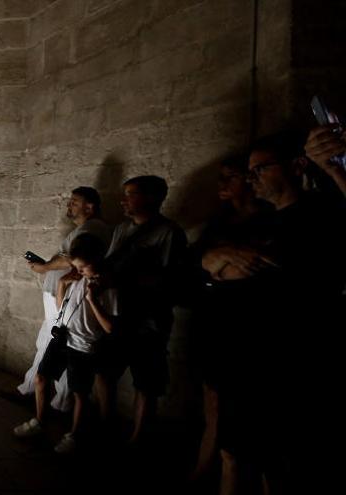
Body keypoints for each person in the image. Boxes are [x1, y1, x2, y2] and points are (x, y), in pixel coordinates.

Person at [202, 131, 345, 494]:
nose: (253, 179)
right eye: (249, 173)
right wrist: (210, 261)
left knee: (286, 464)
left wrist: (335, 168)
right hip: (250, 358)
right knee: (239, 455)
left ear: (297, 166)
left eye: (260, 169)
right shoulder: (259, 222)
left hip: (294, 361)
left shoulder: (322, 213)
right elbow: (209, 264)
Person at [187, 154, 272, 481]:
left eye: (231, 177)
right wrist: (216, 260)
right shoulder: (217, 224)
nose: (222, 185)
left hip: (249, 324)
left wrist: (218, 264)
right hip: (214, 320)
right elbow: (195, 268)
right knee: (213, 401)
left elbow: (247, 268)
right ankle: (206, 464)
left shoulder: (268, 219)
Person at [3, 187, 111, 408]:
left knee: (55, 343)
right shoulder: (88, 228)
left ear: (89, 207)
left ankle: (55, 400)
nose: (69, 205)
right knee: (48, 342)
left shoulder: (94, 228)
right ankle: (37, 391)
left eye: (74, 202)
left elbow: (71, 259)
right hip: (60, 294)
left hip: (65, 298)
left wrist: (44, 268)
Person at [13, 234, 118, 455]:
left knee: (79, 392)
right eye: (77, 267)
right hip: (62, 339)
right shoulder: (76, 279)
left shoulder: (108, 288)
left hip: (83, 346)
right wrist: (62, 283)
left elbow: (110, 328)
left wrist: (93, 300)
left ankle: (74, 434)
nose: (78, 271)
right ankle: (40, 421)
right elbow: (62, 309)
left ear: (97, 261)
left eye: (83, 267)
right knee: (42, 378)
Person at [101, 175, 187, 444]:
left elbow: (170, 279)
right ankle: (106, 425)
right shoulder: (121, 230)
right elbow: (109, 264)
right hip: (117, 315)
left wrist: (132, 276)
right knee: (103, 371)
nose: (123, 199)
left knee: (146, 384)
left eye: (131, 193)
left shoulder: (169, 233)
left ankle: (138, 439)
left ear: (152, 198)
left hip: (148, 321)